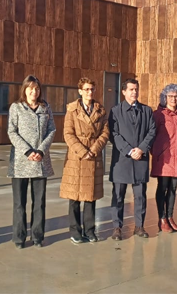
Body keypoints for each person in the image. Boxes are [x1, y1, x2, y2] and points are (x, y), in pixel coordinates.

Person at [7, 75, 56, 248]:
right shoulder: (16, 108)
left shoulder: (45, 108)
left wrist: (41, 150)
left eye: (36, 88)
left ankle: (37, 236)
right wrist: (28, 150)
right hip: (22, 160)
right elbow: (12, 132)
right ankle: (19, 237)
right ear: (24, 89)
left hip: (40, 161)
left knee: (39, 201)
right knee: (19, 202)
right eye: (30, 88)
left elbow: (52, 130)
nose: (34, 91)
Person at [60, 78, 110, 244]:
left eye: (92, 89)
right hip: (76, 157)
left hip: (93, 156)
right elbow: (68, 133)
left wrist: (94, 150)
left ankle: (90, 230)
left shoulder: (100, 110)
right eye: (87, 89)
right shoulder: (72, 110)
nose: (90, 92)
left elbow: (105, 133)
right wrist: (82, 151)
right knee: (74, 196)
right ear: (80, 91)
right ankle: (75, 231)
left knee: (90, 196)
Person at [108, 78, 156, 240]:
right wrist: (128, 150)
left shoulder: (147, 111)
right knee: (118, 195)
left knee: (140, 195)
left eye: (136, 89)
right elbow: (113, 134)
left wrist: (141, 149)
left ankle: (139, 226)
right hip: (122, 160)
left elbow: (152, 131)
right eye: (131, 89)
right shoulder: (115, 111)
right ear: (123, 92)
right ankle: (117, 227)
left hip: (140, 159)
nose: (134, 92)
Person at [150, 84, 177, 233]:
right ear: (164, 97)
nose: (173, 99)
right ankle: (162, 218)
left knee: (173, 188)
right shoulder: (158, 114)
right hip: (164, 158)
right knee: (163, 188)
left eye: (176, 96)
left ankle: (170, 216)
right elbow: (152, 135)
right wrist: (157, 152)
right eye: (170, 96)